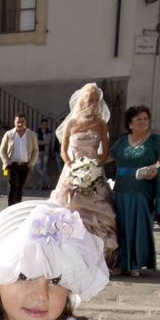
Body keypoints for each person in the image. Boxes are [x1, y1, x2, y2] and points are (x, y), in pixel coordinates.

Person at [50, 83, 118, 269]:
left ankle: (99, 258)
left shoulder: (101, 124)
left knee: (102, 213)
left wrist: (95, 167)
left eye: (96, 101)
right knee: (71, 211)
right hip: (72, 171)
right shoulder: (72, 123)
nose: (93, 104)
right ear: (82, 101)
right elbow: (63, 151)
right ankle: (70, 256)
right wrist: (73, 167)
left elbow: (105, 151)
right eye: (90, 100)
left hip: (95, 172)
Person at [110, 105, 160, 277]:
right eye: (138, 119)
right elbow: (107, 157)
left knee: (138, 225)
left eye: (145, 119)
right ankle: (122, 262)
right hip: (121, 189)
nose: (143, 122)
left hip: (142, 189)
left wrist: (155, 169)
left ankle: (135, 263)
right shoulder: (123, 141)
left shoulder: (155, 140)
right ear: (130, 123)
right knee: (121, 225)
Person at [0, 112, 38, 206]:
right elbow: (2, 150)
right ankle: (10, 207)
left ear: (25, 122)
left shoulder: (31, 134)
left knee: (20, 187)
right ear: (14, 122)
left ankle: (18, 206)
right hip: (12, 165)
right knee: (13, 186)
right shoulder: (9, 134)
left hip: (25, 165)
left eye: (22, 122)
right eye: (18, 122)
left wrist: (31, 163)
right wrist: (6, 162)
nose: (20, 124)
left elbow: (35, 150)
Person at [35, 118, 52, 190]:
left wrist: (44, 136)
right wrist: (44, 141)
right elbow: (36, 142)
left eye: (46, 125)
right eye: (43, 124)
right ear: (41, 124)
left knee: (44, 169)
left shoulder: (49, 132)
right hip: (38, 152)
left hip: (45, 152)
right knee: (38, 167)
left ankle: (41, 186)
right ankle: (48, 180)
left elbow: (48, 141)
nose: (44, 126)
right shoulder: (37, 131)